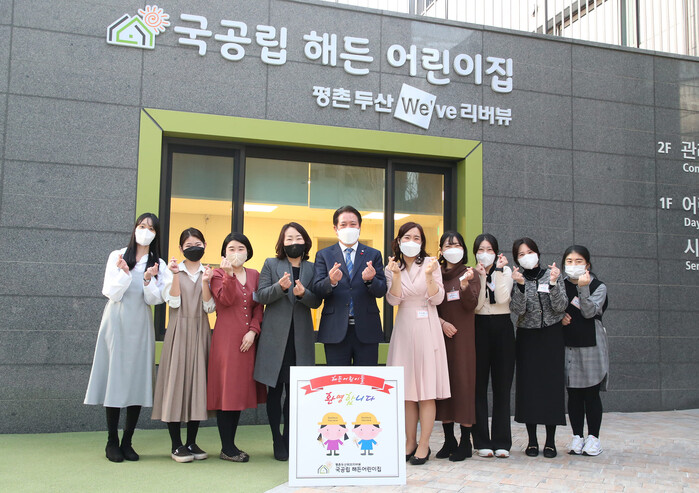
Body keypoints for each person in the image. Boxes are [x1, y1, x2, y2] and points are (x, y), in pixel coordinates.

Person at [84, 212, 171, 463]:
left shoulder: (159, 264)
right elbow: (110, 292)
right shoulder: (118, 255)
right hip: (116, 321)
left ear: (156, 234)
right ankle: (112, 441)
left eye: (151, 228)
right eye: (142, 226)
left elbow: (155, 299)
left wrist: (147, 278)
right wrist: (124, 272)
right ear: (134, 228)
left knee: (136, 379)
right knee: (115, 377)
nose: (145, 231)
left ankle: (128, 441)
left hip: (140, 323)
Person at [254, 222, 322, 461]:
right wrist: (279, 288)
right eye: (289, 238)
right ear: (282, 243)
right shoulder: (271, 264)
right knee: (274, 391)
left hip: (300, 339)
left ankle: (289, 437)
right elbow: (260, 295)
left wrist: (303, 294)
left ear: (305, 242)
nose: (294, 242)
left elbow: (317, 301)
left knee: (295, 393)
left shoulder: (312, 268)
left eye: (298, 238)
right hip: (275, 339)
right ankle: (276, 438)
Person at [385, 222, 447, 466]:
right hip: (404, 328)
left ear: (422, 242)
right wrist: (396, 276)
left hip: (427, 327)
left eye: (417, 238)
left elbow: (438, 298)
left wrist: (430, 276)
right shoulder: (393, 266)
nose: (412, 241)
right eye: (407, 237)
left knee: (426, 391)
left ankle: (424, 444)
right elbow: (393, 300)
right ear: (399, 241)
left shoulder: (431, 263)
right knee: (407, 393)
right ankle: (409, 442)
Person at [152, 227, 215, 463]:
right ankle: (176, 444)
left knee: (197, 385)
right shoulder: (172, 272)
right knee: (175, 384)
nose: (193, 248)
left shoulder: (209, 272)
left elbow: (210, 307)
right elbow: (174, 302)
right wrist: (176, 274)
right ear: (180, 248)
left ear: (205, 246)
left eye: (197, 244)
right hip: (178, 330)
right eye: (188, 245)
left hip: (201, 330)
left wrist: (206, 282)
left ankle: (191, 442)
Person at [207, 232, 266, 463]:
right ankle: (227, 447)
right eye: (231, 249)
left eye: (240, 248)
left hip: (248, 340)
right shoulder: (217, 274)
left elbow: (258, 306)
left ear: (248, 251)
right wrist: (229, 275)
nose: (236, 253)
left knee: (239, 391)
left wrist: (253, 331)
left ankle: (230, 445)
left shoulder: (254, 274)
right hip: (226, 340)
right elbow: (226, 300)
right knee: (227, 391)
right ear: (224, 252)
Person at [510, 237, 568, 458]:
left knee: (551, 387)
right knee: (530, 388)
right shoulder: (517, 279)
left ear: (538, 253)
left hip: (552, 335)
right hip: (527, 337)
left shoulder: (552, 274)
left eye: (529, 252)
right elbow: (517, 310)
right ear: (516, 259)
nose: (526, 257)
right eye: (521, 254)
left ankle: (550, 441)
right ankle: (532, 440)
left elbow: (560, 306)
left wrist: (553, 283)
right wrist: (520, 286)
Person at [312, 205, 387, 366]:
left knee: (366, 377)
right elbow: (317, 289)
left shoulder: (373, 254)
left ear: (359, 227)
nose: (348, 228)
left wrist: (370, 280)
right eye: (343, 224)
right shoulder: (324, 255)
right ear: (335, 229)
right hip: (334, 330)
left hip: (367, 328)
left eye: (353, 224)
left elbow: (381, 290)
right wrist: (331, 281)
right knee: (337, 378)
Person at [435, 231, 480, 462]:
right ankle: (448, 440)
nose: (452, 249)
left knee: (463, 385)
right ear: (441, 250)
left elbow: (471, 304)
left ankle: (465, 441)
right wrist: (441, 323)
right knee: (444, 386)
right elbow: (428, 305)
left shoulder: (470, 273)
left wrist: (464, 286)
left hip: (463, 339)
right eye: (448, 245)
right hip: (440, 336)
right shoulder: (435, 274)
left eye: (457, 245)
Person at [561, 245, 609, 456]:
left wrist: (583, 287)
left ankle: (594, 438)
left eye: (578, 261)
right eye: (569, 261)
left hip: (591, 346)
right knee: (573, 394)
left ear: (587, 264)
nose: (574, 265)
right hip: (568, 346)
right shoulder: (559, 285)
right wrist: (559, 318)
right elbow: (553, 309)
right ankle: (577, 436)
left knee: (591, 394)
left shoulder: (599, 286)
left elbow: (589, 312)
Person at [471, 233, 515, 459]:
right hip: (479, 327)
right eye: (481, 249)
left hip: (503, 327)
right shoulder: (471, 273)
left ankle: (502, 441)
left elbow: (503, 298)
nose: (485, 253)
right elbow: (477, 305)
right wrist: (480, 277)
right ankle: (481, 441)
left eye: (489, 249)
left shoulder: (505, 271)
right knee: (478, 386)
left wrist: (496, 272)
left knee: (502, 386)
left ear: (497, 253)